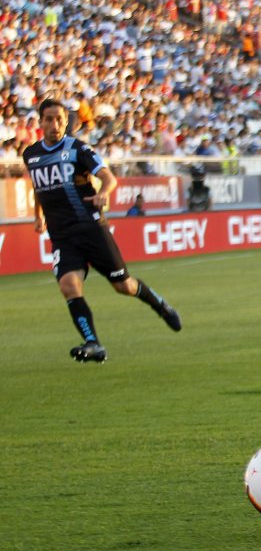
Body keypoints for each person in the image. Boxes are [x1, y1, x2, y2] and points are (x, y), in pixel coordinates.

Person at [22, 99, 182, 364]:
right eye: (48, 119)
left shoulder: (77, 149)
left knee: (123, 285)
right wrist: (38, 216)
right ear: (40, 123)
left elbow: (109, 178)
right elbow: (39, 188)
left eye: (59, 119)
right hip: (62, 235)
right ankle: (93, 342)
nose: (54, 125)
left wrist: (104, 194)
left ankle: (160, 305)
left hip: (90, 228)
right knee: (68, 285)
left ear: (66, 121)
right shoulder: (31, 154)